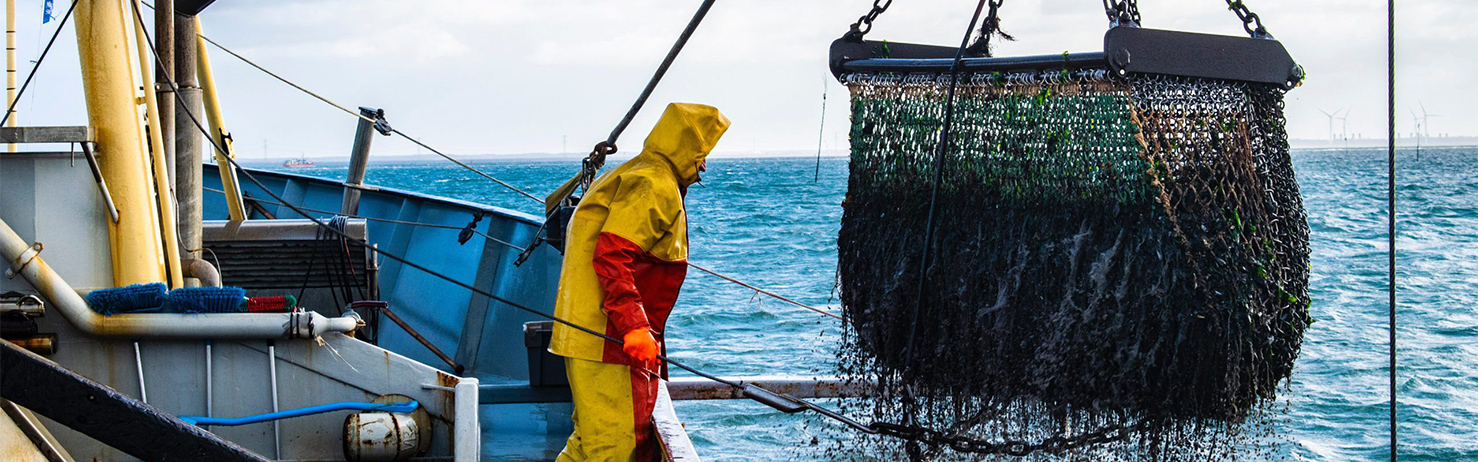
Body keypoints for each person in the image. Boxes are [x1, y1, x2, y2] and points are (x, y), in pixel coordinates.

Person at [549, 102, 730, 462]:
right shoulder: (655, 184)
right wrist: (633, 328)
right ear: (684, 148)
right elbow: (612, 255)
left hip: (586, 336)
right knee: (615, 450)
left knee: (587, 447)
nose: (704, 165)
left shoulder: (636, 171)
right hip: (608, 342)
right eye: (701, 154)